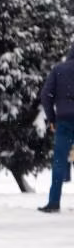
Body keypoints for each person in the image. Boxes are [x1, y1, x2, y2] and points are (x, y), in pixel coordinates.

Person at [39, 44, 74, 213]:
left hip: (64, 121)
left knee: (59, 161)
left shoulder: (59, 70)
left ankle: (54, 202)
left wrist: (51, 118)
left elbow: (46, 95)